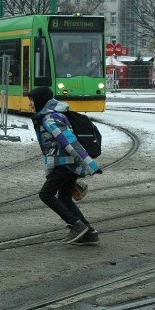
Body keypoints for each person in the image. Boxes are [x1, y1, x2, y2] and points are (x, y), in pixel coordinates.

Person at [28, 86, 102, 245]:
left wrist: (89, 164)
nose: (30, 104)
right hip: (68, 163)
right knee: (64, 198)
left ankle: (76, 225)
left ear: (40, 100)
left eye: (32, 100)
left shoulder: (50, 118)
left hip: (65, 163)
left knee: (46, 194)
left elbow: (68, 140)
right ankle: (89, 233)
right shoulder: (51, 115)